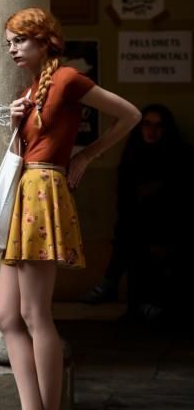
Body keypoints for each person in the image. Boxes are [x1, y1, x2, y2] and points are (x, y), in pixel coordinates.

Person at [0, 7, 141, 410]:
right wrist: (16, 121)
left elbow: (130, 115)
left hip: (43, 190)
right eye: (10, 43)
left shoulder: (69, 79)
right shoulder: (31, 89)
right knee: (4, 315)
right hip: (26, 189)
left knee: (36, 312)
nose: (13, 49)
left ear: (44, 40)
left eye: (19, 40)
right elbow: (23, 151)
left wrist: (85, 157)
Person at [83, 104, 193, 323]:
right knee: (131, 232)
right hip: (137, 227)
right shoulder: (134, 154)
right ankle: (128, 295)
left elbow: (180, 198)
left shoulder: (178, 156)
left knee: (136, 235)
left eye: (158, 126)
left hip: (170, 227)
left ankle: (111, 282)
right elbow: (126, 199)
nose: (152, 131)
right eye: (147, 125)